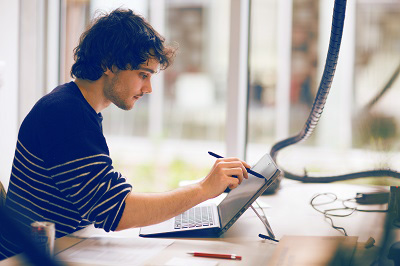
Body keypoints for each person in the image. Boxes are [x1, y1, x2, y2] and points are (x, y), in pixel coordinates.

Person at [0, 8, 250, 260]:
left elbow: (106, 201)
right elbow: (115, 211)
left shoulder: (76, 108)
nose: (149, 88)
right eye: (143, 75)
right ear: (109, 64)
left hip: (65, 247)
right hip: (27, 259)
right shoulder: (65, 114)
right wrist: (204, 189)